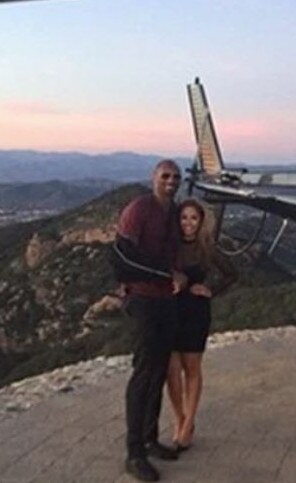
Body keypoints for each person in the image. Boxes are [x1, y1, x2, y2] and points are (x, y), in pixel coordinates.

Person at [112, 159, 187, 482]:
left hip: (166, 300)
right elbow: (123, 258)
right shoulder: (139, 209)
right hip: (142, 299)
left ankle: (150, 438)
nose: (171, 181)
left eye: (176, 177)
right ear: (153, 178)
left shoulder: (174, 212)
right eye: (165, 176)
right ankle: (134, 453)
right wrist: (167, 274)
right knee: (144, 372)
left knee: (158, 370)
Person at [166, 199, 237, 451]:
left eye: (193, 218)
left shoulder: (207, 248)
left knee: (191, 368)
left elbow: (231, 273)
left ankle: (188, 425)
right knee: (171, 371)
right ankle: (179, 419)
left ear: (201, 221)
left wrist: (211, 290)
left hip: (195, 312)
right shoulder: (170, 246)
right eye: (183, 218)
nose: (188, 223)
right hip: (171, 311)